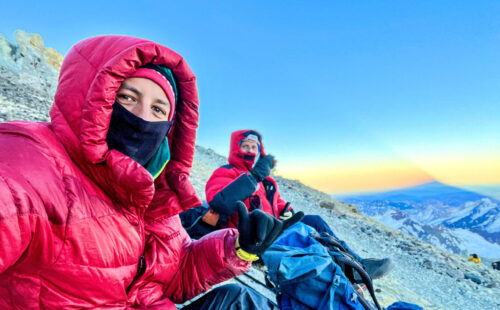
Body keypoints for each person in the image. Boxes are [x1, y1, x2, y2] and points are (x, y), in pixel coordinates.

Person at [0, 36, 302, 309]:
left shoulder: (153, 188)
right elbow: (220, 203)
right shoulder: (28, 165)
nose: (142, 118)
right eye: (127, 98)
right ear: (95, 98)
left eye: (158, 110)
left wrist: (242, 248)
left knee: (243, 299)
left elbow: (176, 271)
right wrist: (253, 178)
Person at [194, 129, 393, 281]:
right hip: (252, 238)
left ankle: (356, 262)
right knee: (302, 231)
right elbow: (220, 204)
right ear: (236, 149)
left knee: (314, 221)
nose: (250, 151)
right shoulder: (226, 173)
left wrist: (285, 210)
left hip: (275, 228)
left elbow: (278, 204)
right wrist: (254, 176)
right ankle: (349, 271)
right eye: (245, 146)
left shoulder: (268, 181)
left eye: (254, 148)